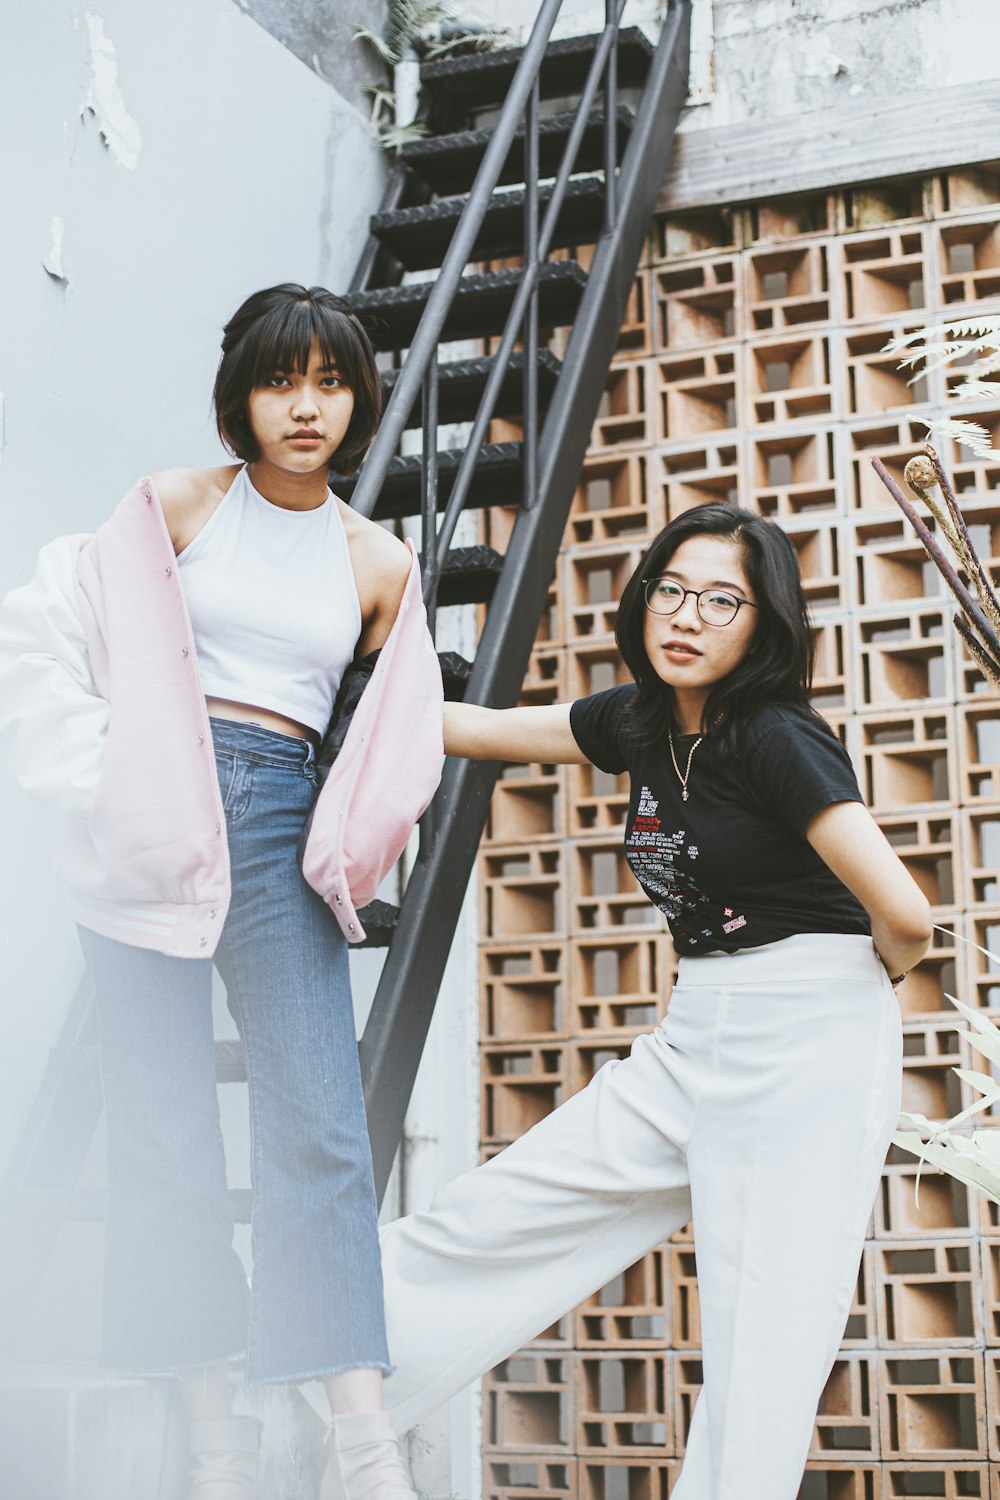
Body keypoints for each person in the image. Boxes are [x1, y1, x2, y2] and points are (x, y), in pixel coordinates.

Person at [377, 502, 932, 1498]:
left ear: (762, 625)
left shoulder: (774, 738)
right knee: (501, 1214)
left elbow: (904, 912)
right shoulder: (636, 722)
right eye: (671, 589)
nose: (687, 615)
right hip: (699, 1023)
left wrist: (855, 991)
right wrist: (298, 704)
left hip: (810, 1030)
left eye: (723, 600)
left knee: (764, 1337)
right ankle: (331, 1397)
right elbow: (485, 727)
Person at [0, 284, 443, 1500]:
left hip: (278, 822)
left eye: (332, 383)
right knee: (162, 1128)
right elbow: (52, 638)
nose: (307, 408)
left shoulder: (377, 560)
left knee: (319, 1123)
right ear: (241, 393)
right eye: (281, 381)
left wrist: (348, 850)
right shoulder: (174, 506)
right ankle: (214, 1437)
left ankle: (362, 1438)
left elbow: (403, 733)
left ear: (357, 399)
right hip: (151, 814)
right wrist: (107, 783)